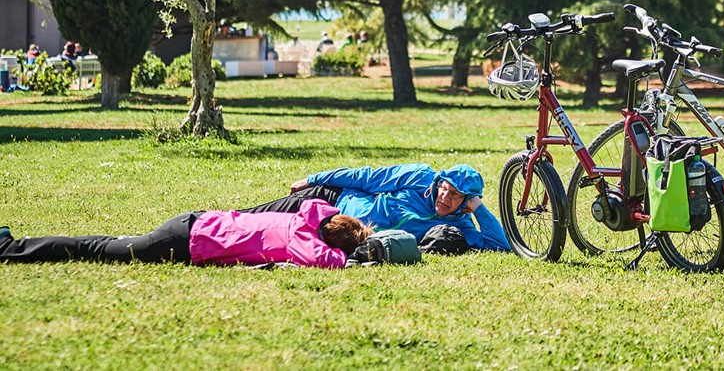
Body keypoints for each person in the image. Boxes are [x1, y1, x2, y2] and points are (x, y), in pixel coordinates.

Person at [0, 199, 370, 268]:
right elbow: (329, 261)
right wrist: (356, 254)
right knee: (98, 249)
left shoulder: (304, 217)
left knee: (112, 245)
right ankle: (11, 247)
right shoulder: (303, 241)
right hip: (186, 242)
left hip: (193, 223)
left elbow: (321, 207)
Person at [244, 163, 511, 252]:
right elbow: (365, 177)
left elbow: (500, 246)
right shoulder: (419, 176)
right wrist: (313, 180)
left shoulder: (459, 226)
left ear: (466, 203)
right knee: (252, 218)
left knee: (271, 236)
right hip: (332, 200)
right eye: (445, 188)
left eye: (455, 195)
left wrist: (478, 207)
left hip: (345, 232)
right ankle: (217, 220)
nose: (444, 196)